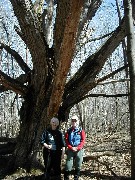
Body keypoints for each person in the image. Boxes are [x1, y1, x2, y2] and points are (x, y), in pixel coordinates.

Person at [64, 115, 86, 180]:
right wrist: (71, 147)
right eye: (72, 120)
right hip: (71, 149)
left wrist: (78, 148)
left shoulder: (81, 131)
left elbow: (83, 140)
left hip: (79, 150)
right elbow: (67, 141)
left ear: (77, 121)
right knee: (68, 165)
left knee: (78, 164)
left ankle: (76, 177)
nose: (74, 122)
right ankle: (66, 177)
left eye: (75, 120)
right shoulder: (69, 131)